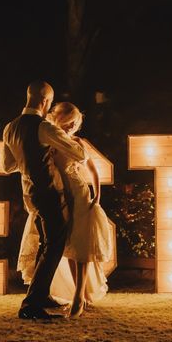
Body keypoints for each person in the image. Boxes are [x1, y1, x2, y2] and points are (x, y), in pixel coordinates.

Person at [17, 102, 112, 318]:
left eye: (74, 123)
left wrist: (97, 194)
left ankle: (79, 295)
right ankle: (77, 294)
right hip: (59, 195)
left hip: (78, 193)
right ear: (56, 119)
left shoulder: (77, 142)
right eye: (67, 122)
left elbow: (92, 169)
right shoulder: (48, 142)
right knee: (68, 245)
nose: (70, 127)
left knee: (81, 243)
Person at [3, 81, 88, 320]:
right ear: (45, 102)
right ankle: (31, 305)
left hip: (29, 194)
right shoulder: (44, 128)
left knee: (45, 244)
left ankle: (40, 295)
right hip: (51, 193)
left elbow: (8, 166)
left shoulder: (9, 128)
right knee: (55, 245)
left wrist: (28, 159)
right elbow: (80, 153)